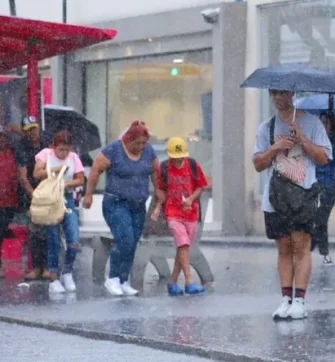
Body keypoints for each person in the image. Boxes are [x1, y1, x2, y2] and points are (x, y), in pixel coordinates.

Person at [252, 90, 331, 321]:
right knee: (284, 247)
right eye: (273, 93)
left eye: (282, 93)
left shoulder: (311, 122)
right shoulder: (266, 128)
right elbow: (258, 164)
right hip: (276, 197)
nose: (277, 98)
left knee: (301, 246)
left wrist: (303, 139)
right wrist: (276, 148)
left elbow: (324, 158)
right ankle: (285, 298)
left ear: (292, 94)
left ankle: (300, 300)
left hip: (303, 195)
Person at [83, 120, 162, 297]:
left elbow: (155, 171)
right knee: (124, 239)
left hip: (138, 204)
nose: (141, 146)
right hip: (116, 203)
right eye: (137, 143)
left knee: (133, 242)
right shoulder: (113, 150)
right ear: (128, 139)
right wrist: (89, 195)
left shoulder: (148, 151)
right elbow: (95, 171)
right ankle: (112, 278)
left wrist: (158, 190)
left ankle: (124, 280)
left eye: (144, 142)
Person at [150, 137, 208, 296]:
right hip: (173, 213)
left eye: (180, 157)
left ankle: (172, 282)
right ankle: (189, 282)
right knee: (183, 244)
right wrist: (157, 208)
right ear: (169, 156)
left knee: (183, 248)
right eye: (174, 158)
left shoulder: (192, 165)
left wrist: (190, 199)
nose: (178, 161)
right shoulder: (164, 168)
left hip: (191, 214)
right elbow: (160, 191)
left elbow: (201, 186)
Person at [33, 131, 85, 294]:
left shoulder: (74, 157)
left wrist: (64, 183)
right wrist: (55, 170)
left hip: (67, 198)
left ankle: (67, 271)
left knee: (74, 239)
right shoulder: (46, 154)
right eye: (61, 149)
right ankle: (53, 276)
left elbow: (80, 179)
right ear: (54, 147)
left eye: (67, 149)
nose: (63, 153)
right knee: (53, 239)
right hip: (49, 199)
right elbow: (36, 174)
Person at [312, 112, 335, 265]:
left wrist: (328, 150)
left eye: (327, 122)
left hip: (332, 181)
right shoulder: (316, 138)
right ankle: (323, 253)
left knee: (321, 216)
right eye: (322, 123)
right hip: (317, 180)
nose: (325, 126)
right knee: (318, 218)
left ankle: (312, 247)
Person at [15, 116, 47, 281]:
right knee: (34, 232)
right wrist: (34, 195)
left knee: (50, 231)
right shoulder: (21, 147)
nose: (32, 133)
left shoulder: (47, 143)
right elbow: (23, 176)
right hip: (31, 196)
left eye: (34, 129)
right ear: (24, 132)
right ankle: (36, 267)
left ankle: (49, 267)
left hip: (49, 193)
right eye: (28, 130)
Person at [0, 132, 18, 279]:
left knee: (1, 230)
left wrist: (13, 128)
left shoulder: (13, 153)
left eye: (3, 137)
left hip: (9, 202)